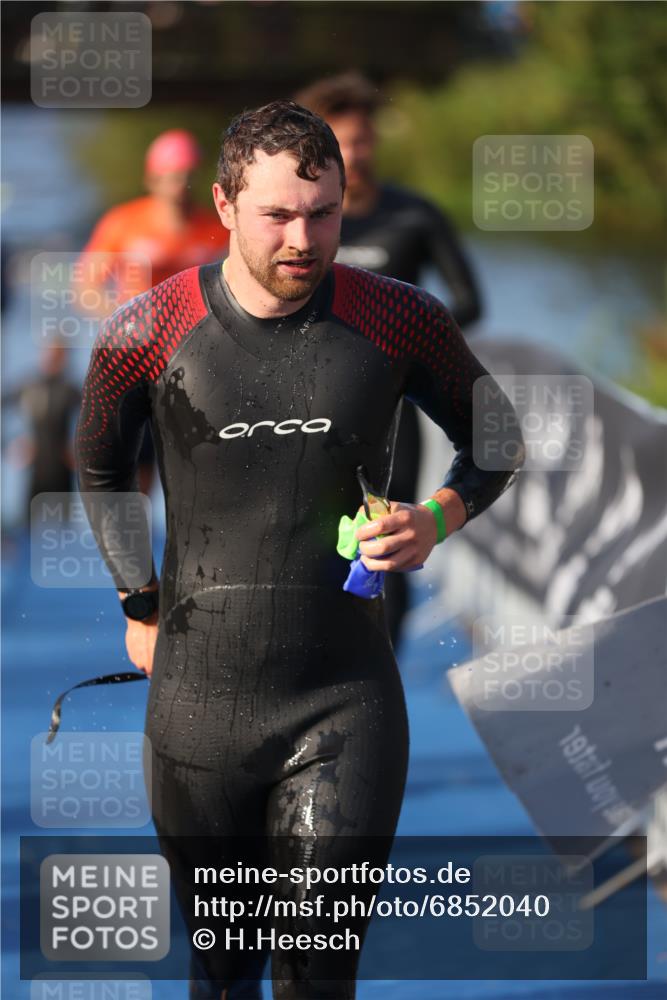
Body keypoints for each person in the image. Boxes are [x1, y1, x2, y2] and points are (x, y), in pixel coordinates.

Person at [76, 100, 523, 1000]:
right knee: (225, 968)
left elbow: (498, 439)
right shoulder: (148, 330)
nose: (303, 237)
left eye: (323, 212)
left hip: (344, 699)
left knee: (317, 973)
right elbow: (96, 467)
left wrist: (435, 519)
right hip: (198, 707)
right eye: (278, 213)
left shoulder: (397, 319)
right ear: (226, 204)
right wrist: (140, 602)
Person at [295, 72, 483, 649]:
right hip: (299, 395)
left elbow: (470, 302)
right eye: (342, 141)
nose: (356, 152)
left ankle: (383, 662)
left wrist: (410, 353)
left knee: (391, 528)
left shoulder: (415, 216)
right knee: (304, 530)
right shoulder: (301, 220)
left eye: (364, 139)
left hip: (388, 405)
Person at [77, 129, 230, 493]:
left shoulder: (214, 227)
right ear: (152, 179)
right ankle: (133, 544)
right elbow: (85, 288)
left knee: (202, 462)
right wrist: (124, 323)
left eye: (188, 176)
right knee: (135, 467)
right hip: (136, 360)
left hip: (195, 360)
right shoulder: (123, 223)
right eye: (172, 177)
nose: (180, 185)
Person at [4, 341, 80, 524]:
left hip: (61, 468)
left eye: (58, 354)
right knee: (27, 525)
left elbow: (95, 419)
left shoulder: (70, 390)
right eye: (49, 353)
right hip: (35, 469)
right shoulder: (28, 386)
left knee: (62, 531)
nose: (52, 358)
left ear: (65, 358)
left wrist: (78, 449)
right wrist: (11, 444)